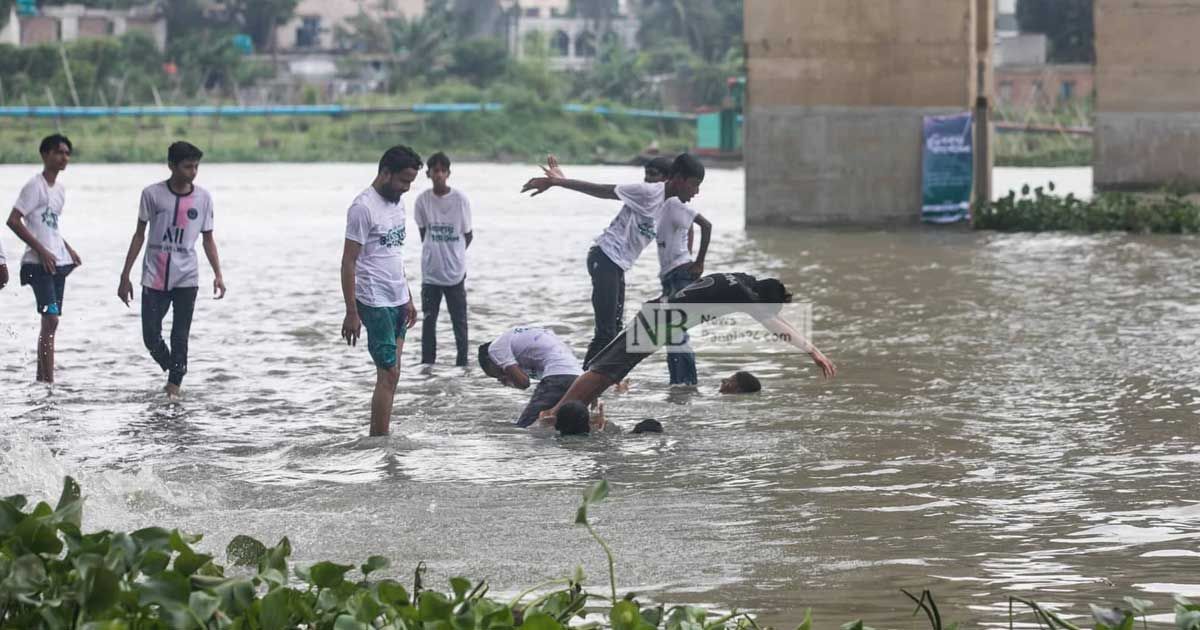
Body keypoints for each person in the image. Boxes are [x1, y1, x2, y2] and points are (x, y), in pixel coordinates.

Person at [538, 272, 837, 420]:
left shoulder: (743, 281)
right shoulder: (746, 295)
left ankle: (570, 413)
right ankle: (554, 412)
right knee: (604, 370)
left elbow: (776, 320)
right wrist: (812, 351)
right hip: (660, 322)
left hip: (661, 318)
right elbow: (775, 326)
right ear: (761, 300)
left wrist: (811, 345)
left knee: (610, 374)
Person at [521, 153, 706, 366]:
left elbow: (690, 225)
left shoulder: (672, 204)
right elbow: (602, 190)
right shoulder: (648, 192)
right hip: (605, 257)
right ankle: (577, 384)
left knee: (614, 331)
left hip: (617, 265)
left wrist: (689, 262)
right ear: (678, 179)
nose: (696, 191)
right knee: (606, 332)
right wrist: (559, 182)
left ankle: (591, 386)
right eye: (694, 185)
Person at [117, 141, 226, 399]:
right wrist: (125, 275)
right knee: (150, 336)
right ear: (171, 166)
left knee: (180, 335)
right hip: (154, 275)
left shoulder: (203, 198)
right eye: (188, 166)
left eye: (196, 166)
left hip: (187, 277)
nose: (193, 172)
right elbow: (139, 235)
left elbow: (208, 239)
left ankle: (174, 386)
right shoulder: (151, 195)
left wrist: (218, 274)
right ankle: (174, 368)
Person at [341, 145, 423, 437]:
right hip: (374, 301)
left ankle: (381, 436)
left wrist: (409, 297)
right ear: (385, 173)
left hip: (398, 298)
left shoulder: (398, 204)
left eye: (411, 182)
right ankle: (378, 441)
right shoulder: (363, 207)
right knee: (387, 373)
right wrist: (351, 311)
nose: (406, 188)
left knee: (394, 374)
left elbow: (394, 255)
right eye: (403, 181)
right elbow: (348, 261)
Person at [6, 134, 81, 383]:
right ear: (45, 154)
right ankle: (47, 380)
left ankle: (44, 378)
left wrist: (67, 248)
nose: (64, 158)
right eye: (59, 152)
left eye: (67, 153)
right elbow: (14, 221)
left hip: (57, 263)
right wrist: (40, 250)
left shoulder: (59, 190)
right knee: (50, 318)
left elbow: (51, 227)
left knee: (51, 321)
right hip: (38, 265)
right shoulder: (34, 186)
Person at [414, 152, 473, 369]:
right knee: (429, 321)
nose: (439, 175)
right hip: (431, 273)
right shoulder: (422, 200)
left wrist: (454, 254)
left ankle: (463, 365)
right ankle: (427, 367)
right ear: (428, 174)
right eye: (434, 171)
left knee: (460, 323)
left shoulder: (460, 200)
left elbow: (468, 234)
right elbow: (424, 234)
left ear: (448, 173)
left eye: (442, 170)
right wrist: (436, 252)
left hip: (455, 273)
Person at [478, 325, 582, 427]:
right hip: (579, 377)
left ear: (490, 360)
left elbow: (523, 383)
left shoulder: (495, 349)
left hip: (559, 375)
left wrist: (509, 378)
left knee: (525, 426)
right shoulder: (520, 344)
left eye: (498, 377)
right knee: (563, 425)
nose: (500, 379)